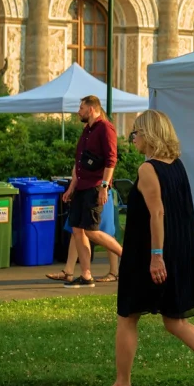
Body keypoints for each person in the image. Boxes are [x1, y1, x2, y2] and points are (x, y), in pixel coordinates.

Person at [94, 110, 194, 386]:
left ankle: (122, 385)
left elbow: (157, 213)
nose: (133, 138)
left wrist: (156, 256)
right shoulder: (177, 166)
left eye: (136, 132)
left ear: (149, 134)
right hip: (177, 249)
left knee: (127, 315)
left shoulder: (148, 169)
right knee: (174, 320)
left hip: (148, 253)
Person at [62, 96, 124, 288]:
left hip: (95, 186)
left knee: (92, 231)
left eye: (81, 108)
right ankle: (86, 275)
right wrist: (72, 187)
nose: (78, 111)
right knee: (77, 229)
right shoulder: (87, 130)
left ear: (91, 109)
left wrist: (104, 186)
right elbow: (80, 161)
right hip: (81, 187)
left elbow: (111, 159)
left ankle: (129, 257)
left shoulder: (105, 128)